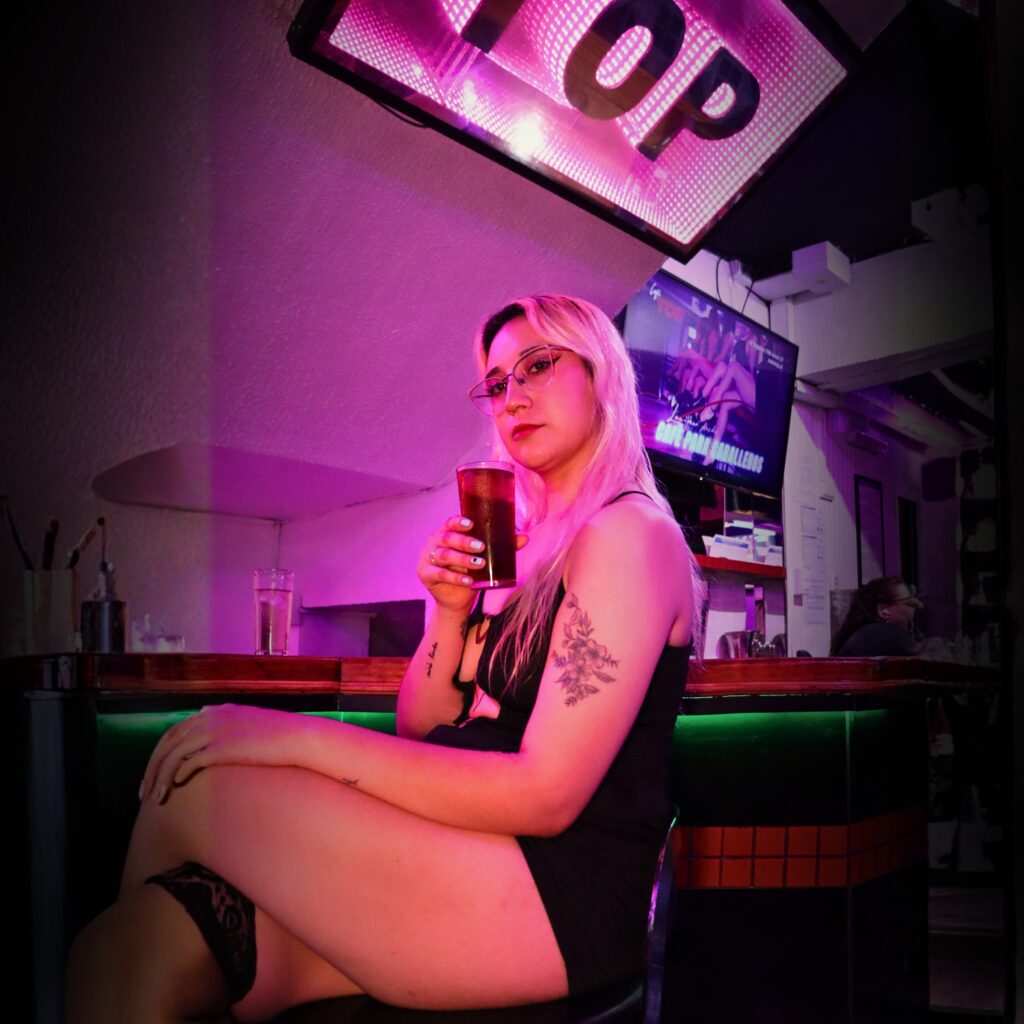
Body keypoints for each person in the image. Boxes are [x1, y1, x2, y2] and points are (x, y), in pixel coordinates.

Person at [66, 295, 705, 1022]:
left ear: (601, 373)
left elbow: (545, 796)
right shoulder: (524, 546)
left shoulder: (630, 535)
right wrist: (449, 611)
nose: (513, 397)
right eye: (498, 383)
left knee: (191, 789)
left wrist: (293, 738)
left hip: (559, 894)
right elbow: (421, 728)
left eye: (537, 366)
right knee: (125, 955)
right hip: (467, 854)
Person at [829, 575, 924, 656]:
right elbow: (926, 656)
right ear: (883, 610)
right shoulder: (883, 633)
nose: (918, 606)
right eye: (909, 603)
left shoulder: (866, 634)